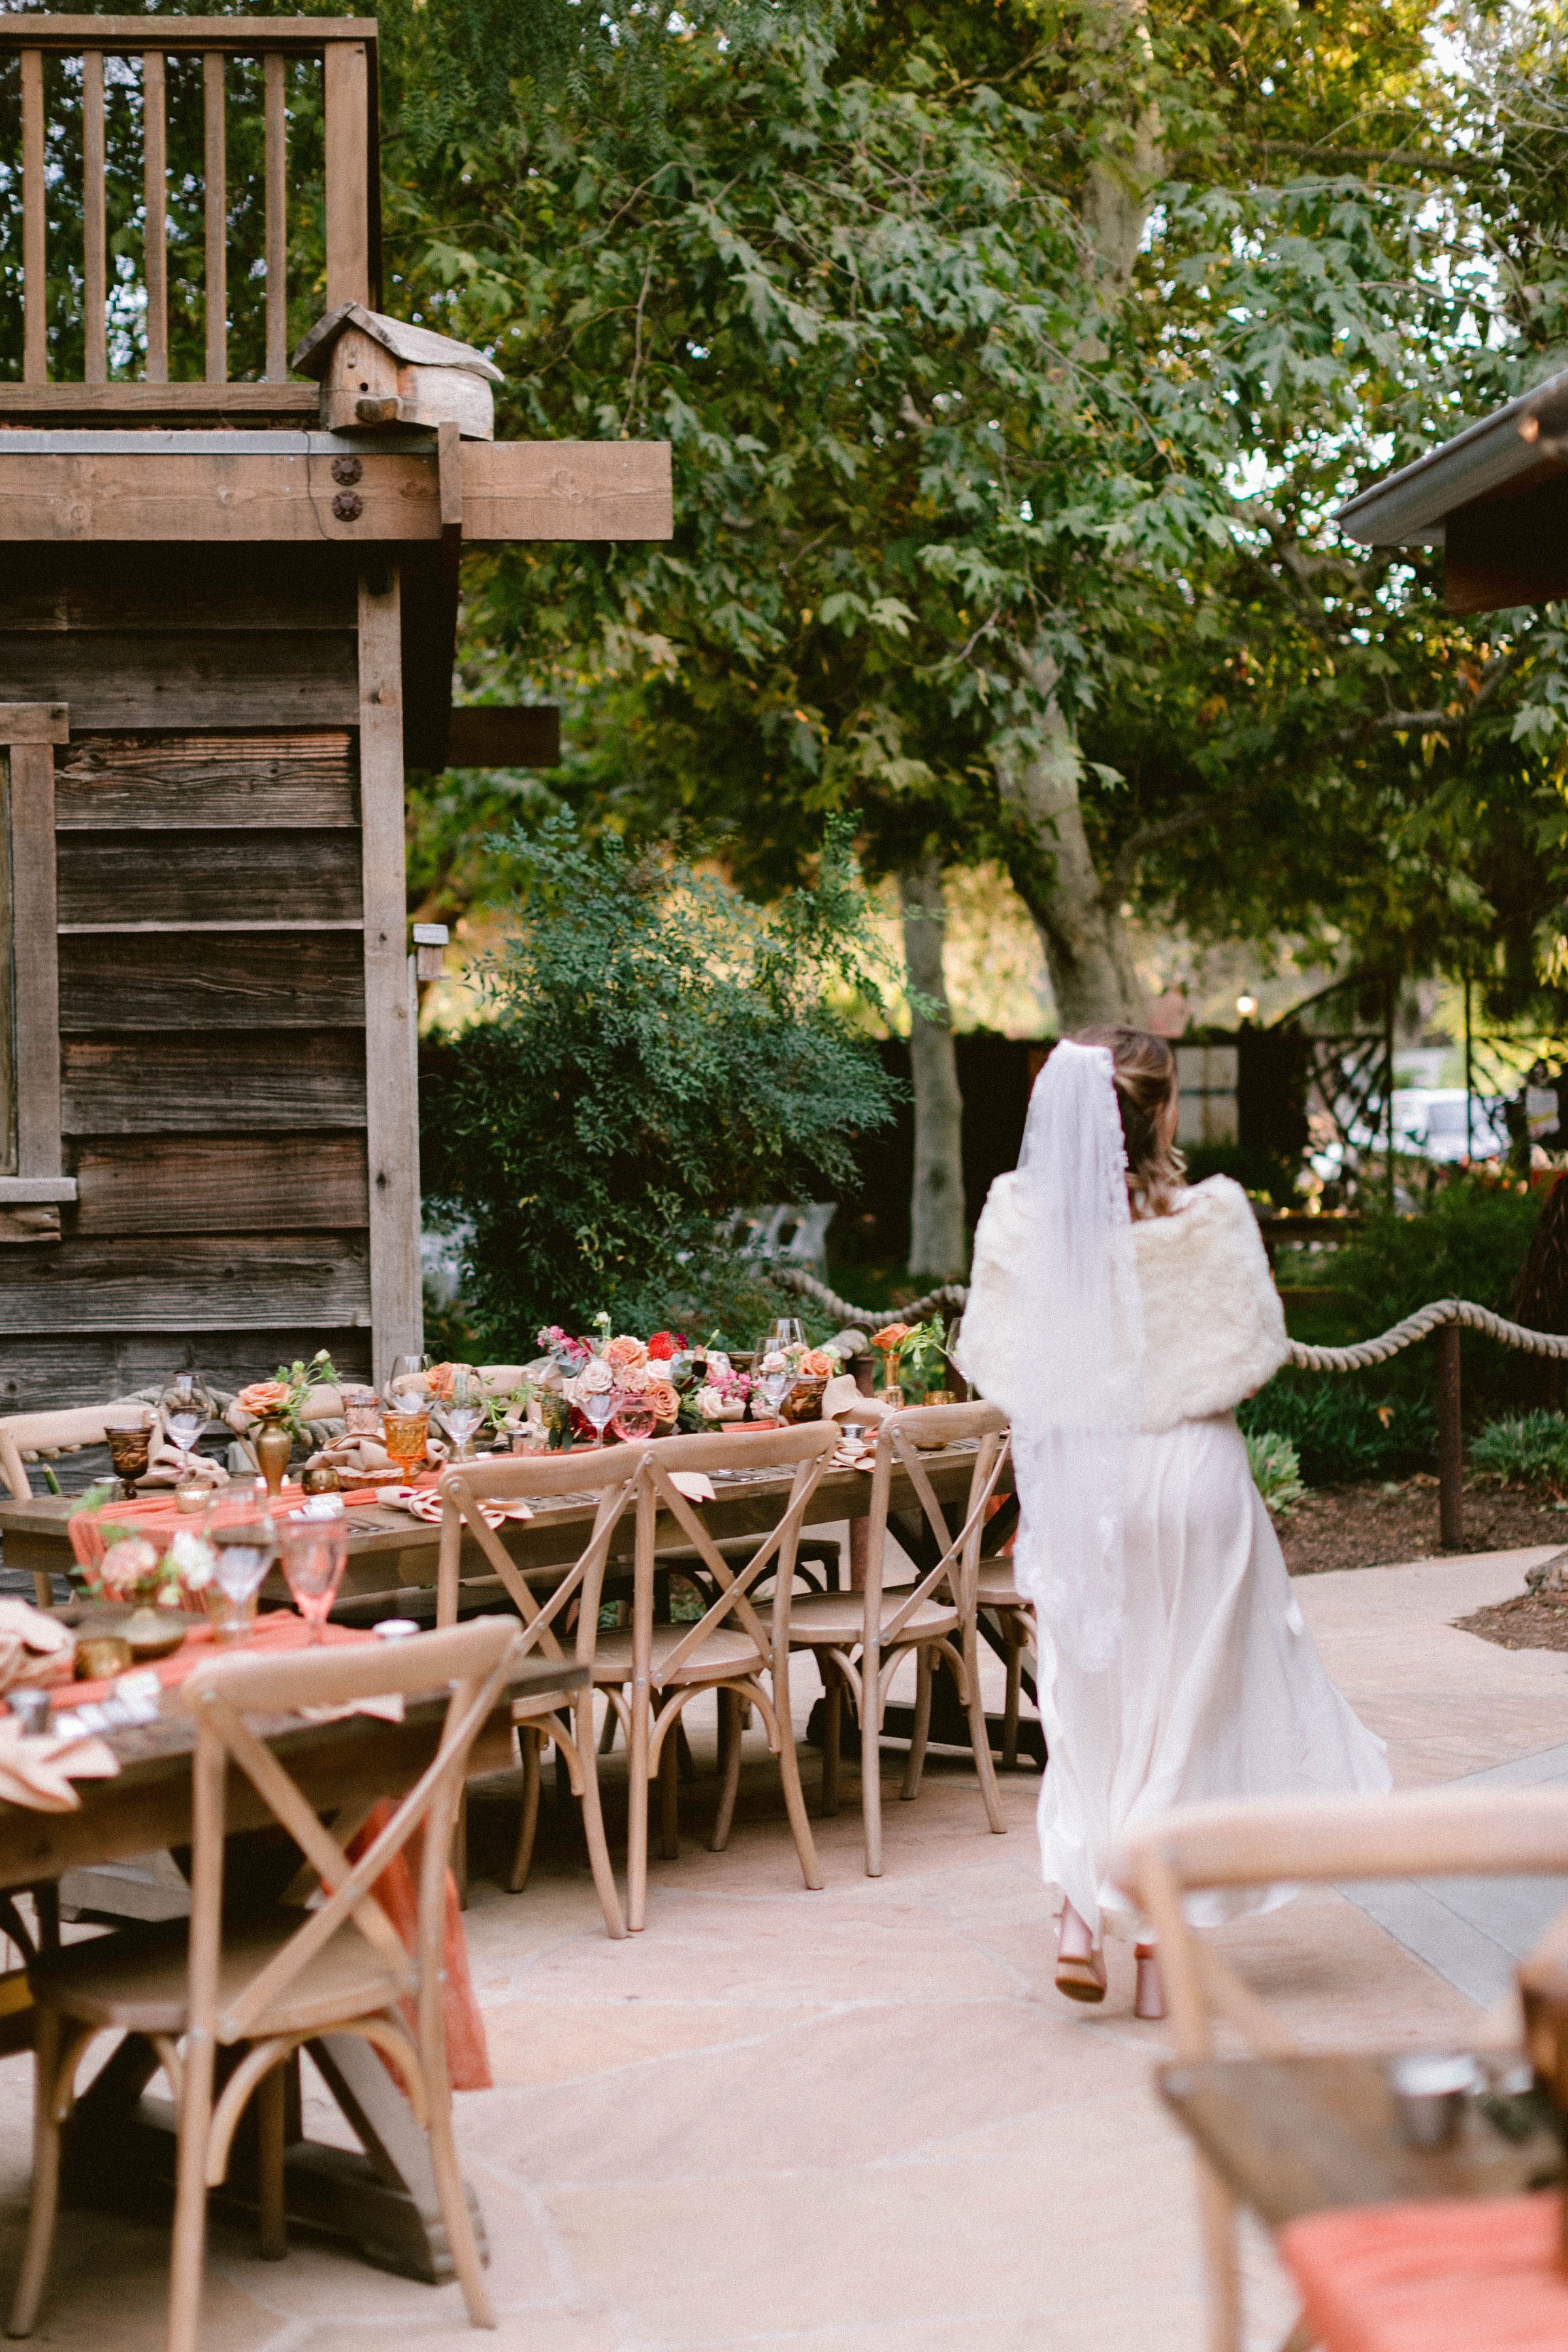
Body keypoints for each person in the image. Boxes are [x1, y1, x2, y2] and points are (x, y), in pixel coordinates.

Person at [955, 1028, 1390, 2019]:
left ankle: (1078, 1911)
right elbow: (1258, 1347)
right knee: (1184, 1711)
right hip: (1192, 1473)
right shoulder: (1214, 1216)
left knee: (1087, 1701)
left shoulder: (1022, 1223)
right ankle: (1154, 1953)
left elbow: (997, 1361)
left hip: (1083, 1484)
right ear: (1163, 1113)